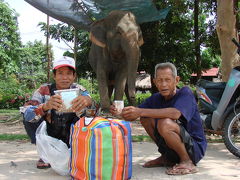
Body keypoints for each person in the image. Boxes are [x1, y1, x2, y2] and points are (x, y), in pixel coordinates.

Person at [110, 62, 207, 175]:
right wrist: (120, 113)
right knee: (145, 118)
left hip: (194, 149)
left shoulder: (185, 93)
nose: (163, 84)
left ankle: (187, 161)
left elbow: (175, 113)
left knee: (164, 123)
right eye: (160, 80)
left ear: (176, 80)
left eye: (167, 80)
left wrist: (140, 111)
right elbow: (136, 114)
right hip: (174, 148)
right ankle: (167, 157)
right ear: (155, 82)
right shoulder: (156, 98)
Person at [22, 56, 92, 169]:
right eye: (60, 73)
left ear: (74, 76)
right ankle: (45, 154)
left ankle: (75, 151)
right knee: (31, 116)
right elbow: (27, 113)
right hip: (50, 133)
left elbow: (93, 110)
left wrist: (87, 101)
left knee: (88, 118)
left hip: (71, 134)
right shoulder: (43, 90)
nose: (65, 77)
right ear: (54, 76)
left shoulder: (80, 90)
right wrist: (45, 106)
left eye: (69, 73)